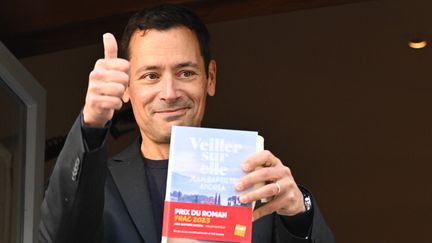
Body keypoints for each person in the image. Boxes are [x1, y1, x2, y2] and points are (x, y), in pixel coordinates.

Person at [39, 4, 334, 243]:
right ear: (127, 87)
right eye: (151, 76)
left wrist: (298, 216)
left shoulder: (261, 185)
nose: (169, 93)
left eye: (186, 73)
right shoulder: (99, 184)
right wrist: (91, 125)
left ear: (211, 78)